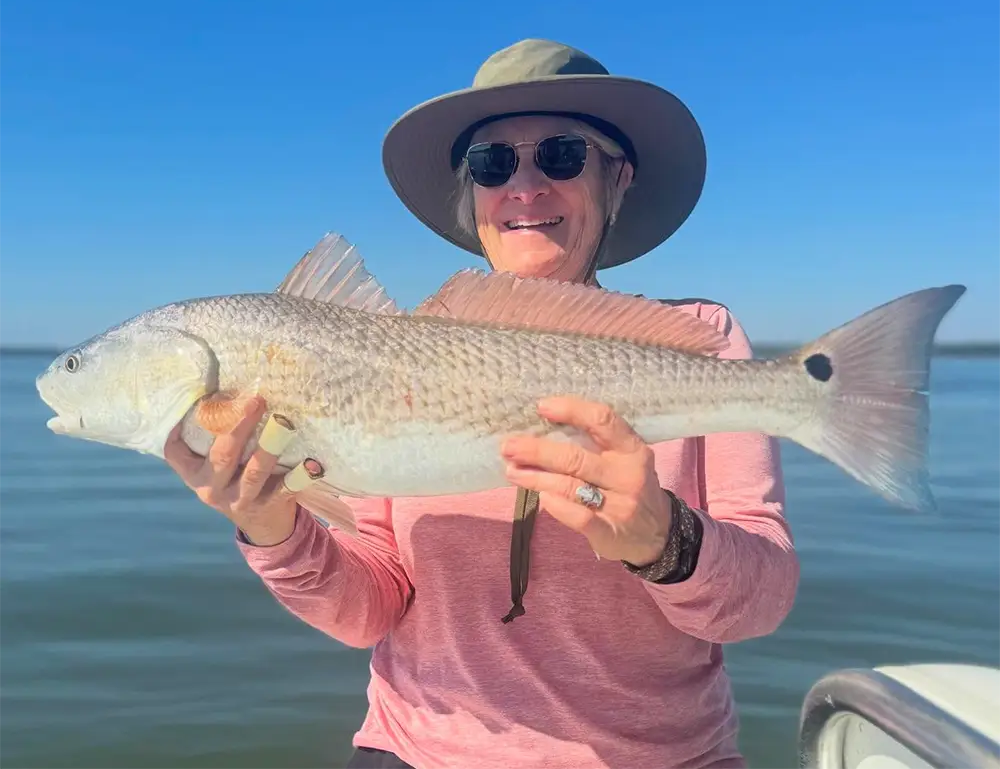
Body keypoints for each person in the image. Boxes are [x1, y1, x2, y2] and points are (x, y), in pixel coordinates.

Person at [164, 38, 800, 769]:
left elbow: (762, 599)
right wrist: (272, 527)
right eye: (492, 164)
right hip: (415, 750)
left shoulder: (700, 342)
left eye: (561, 154)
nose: (524, 188)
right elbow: (369, 608)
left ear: (617, 178)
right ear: (474, 192)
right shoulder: (390, 353)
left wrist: (668, 542)